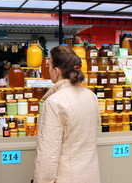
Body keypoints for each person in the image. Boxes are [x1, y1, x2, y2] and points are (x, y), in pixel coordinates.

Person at [33, 46, 100, 183]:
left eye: (49, 66)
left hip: (67, 177)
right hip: (90, 175)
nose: (49, 70)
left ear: (56, 71)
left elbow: (47, 155)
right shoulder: (91, 96)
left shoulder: (54, 102)